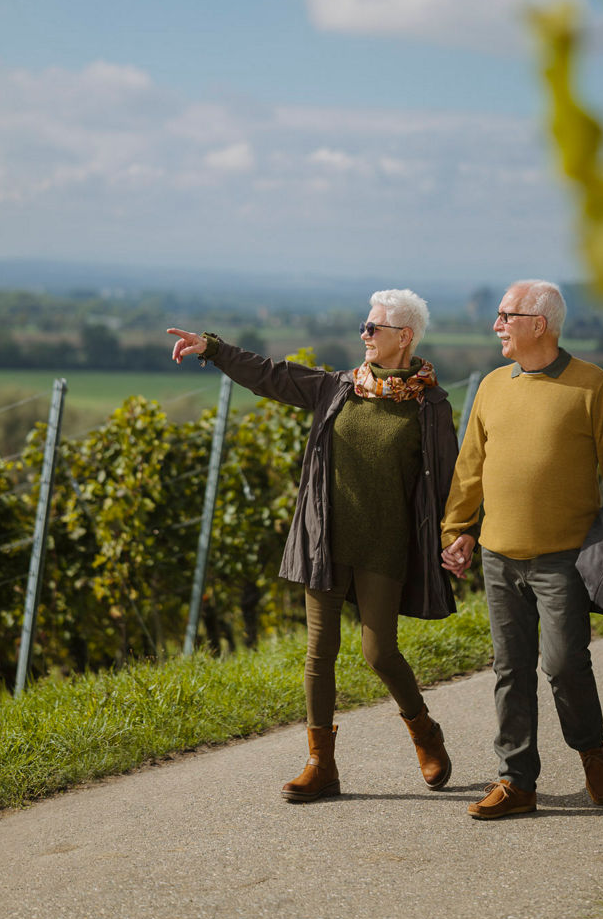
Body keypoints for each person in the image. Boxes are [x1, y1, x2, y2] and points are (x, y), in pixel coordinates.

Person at [168, 289, 458, 802]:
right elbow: (273, 376)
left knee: (380, 653)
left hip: (385, 547)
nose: (363, 335)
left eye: (374, 328)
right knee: (319, 652)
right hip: (326, 540)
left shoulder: (430, 406)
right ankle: (321, 764)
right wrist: (212, 348)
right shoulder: (339, 388)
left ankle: (425, 733)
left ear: (404, 336)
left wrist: (457, 536)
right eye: (364, 327)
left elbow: (449, 482)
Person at [441, 279, 603, 820]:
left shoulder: (591, 386)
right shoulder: (490, 386)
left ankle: (589, 747)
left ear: (540, 324)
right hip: (497, 554)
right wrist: (458, 529)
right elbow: (470, 467)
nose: (496, 326)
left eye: (505, 316)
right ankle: (517, 781)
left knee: (561, 664)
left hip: (563, 557)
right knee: (510, 669)